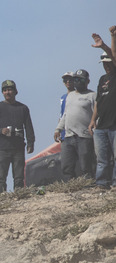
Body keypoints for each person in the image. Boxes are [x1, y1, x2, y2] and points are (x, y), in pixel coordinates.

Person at [0, 80, 36, 194]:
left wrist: (30, 143)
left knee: (19, 178)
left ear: (15, 91)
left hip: (18, 148)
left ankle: (19, 200)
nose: (7, 92)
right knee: (1, 178)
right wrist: (0, 130)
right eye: (5, 90)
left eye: (10, 90)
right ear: (2, 93)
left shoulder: (23, 108)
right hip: (2, 148)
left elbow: (29, 126)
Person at [54, 69, 96, 181]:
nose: (78, 82)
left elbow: (96, 115)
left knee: (85, 165)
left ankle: (88, 185)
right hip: (68, 136)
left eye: (81, 79)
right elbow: (65, 115)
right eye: (76, 79)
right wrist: (58, 129)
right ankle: (70, 187)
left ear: (87, 81)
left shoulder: (92, 95)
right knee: (66, 166)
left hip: (84, 136)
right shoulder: (70, 96)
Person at [89, 27, 116, 190]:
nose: (106, 66)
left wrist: (110, 40)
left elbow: (114, 55)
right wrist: (93, 120)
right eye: (103, 64)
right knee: (102, 158)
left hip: (115, 125)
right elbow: (99, 101)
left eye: (108, 63)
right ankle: (101, 183)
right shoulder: (102, 79)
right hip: (101, 125)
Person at [59, 71, 76, 142]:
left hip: (76, 134)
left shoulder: (78, 95)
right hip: (64, 134)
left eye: (70, 80)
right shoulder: (63, 98)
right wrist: (59, 131)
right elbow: (61, 115)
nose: (68, 82)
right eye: (65, 80)